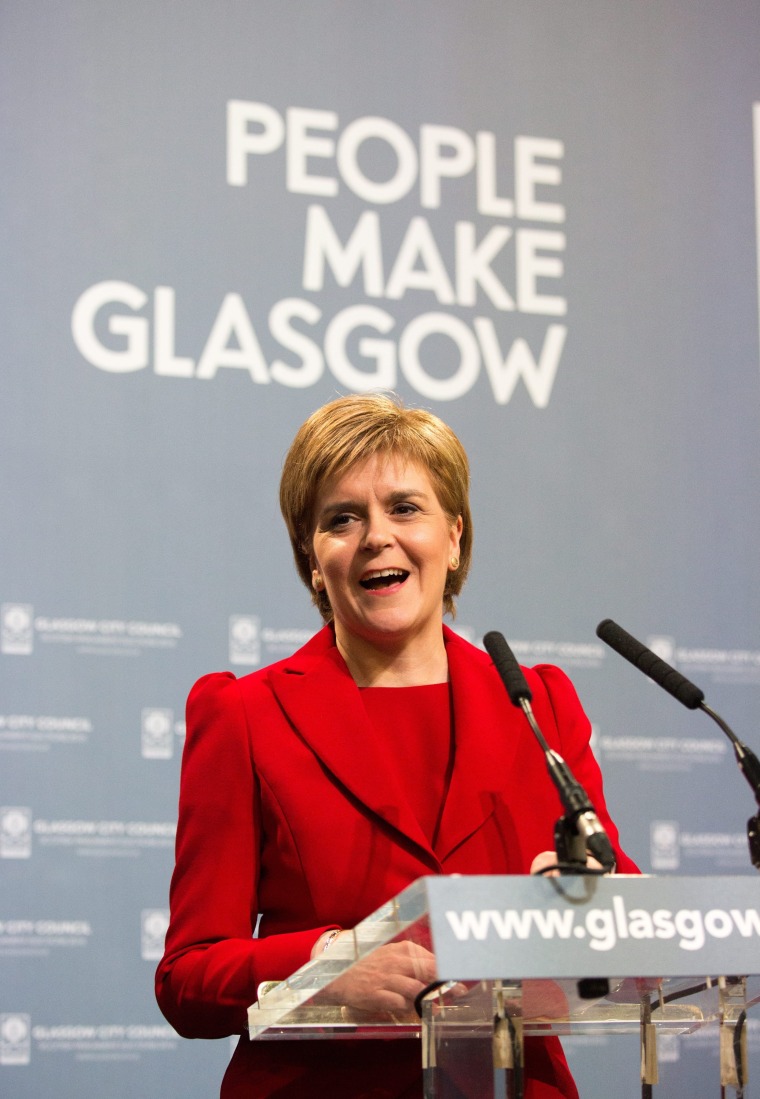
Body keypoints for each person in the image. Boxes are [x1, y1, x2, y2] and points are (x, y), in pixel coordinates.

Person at [155, 393, 637, 1098]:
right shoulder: (244, 714)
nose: (376, 535)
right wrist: (325, 967)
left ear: (455, 536)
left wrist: (590, 906)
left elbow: (623, 923)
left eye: (405, 508)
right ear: (313, 560)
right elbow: (187, 977)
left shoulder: (538, 704)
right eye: (341, 518)